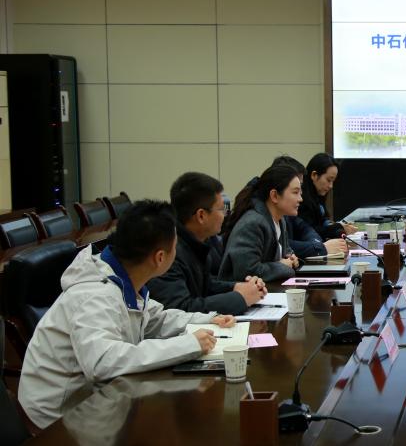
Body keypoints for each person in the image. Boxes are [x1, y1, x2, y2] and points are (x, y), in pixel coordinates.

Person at [18, 200, 234, 429]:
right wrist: (188, 344)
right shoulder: (95, 295)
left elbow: (156, 319)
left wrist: (208, 319)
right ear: (160, 258)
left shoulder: (122, 276)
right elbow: (103, 362)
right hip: (58, 420)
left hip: (97, 401)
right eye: (175, 245)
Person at [149, 172, 267, 315]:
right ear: (201, 216)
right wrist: (240, 298)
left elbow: (205, 287)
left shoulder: (198, 241)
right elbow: (179, 309)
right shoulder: (169, 250)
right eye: (221, 209)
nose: (225, 215)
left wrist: (239, 287)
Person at [218, 164, 303, 283]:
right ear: (274, 196)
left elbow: (286, 254)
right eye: (295, 192)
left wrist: (292, 259)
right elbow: (246, 272)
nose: (300, 199)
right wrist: (283, 266)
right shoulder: (253, 223)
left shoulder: (280, 220)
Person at [271, 155, 347, 258]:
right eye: (295, 191)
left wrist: (318, 245)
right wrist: (322, 248)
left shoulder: (286, 214)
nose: (300, 198)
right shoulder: (258, 219)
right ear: (275, 194)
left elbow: (305, 229)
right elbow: (281, 246)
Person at [298, 152, 358, 240]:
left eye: (333, 181)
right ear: (314, 175)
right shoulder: (301, 199)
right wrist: (338, 227)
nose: (331, 186)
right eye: (329, 180)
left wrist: (338, 226)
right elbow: (310, 231)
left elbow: (323, 221)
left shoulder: (317, 194)